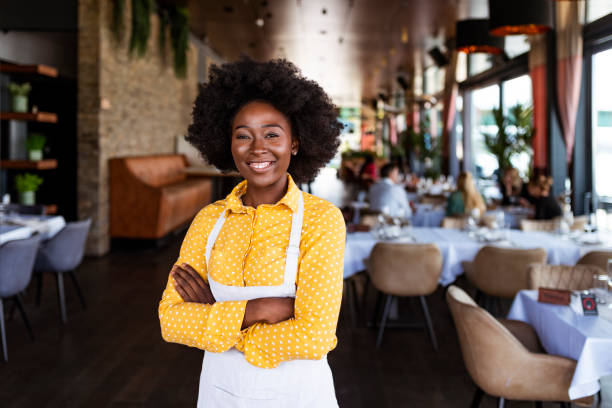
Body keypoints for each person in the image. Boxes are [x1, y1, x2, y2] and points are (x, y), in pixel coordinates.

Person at [158, 58, 345, 407]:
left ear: (294, 143)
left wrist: (219, 319)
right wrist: (256, 310)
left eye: (272, 134)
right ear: (228, 143)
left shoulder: (321, 220)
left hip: (299, 396)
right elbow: (170, 320)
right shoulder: (208, 220)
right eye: (243, 135)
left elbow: (315, 337)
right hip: (219, 393)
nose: (257, 148)